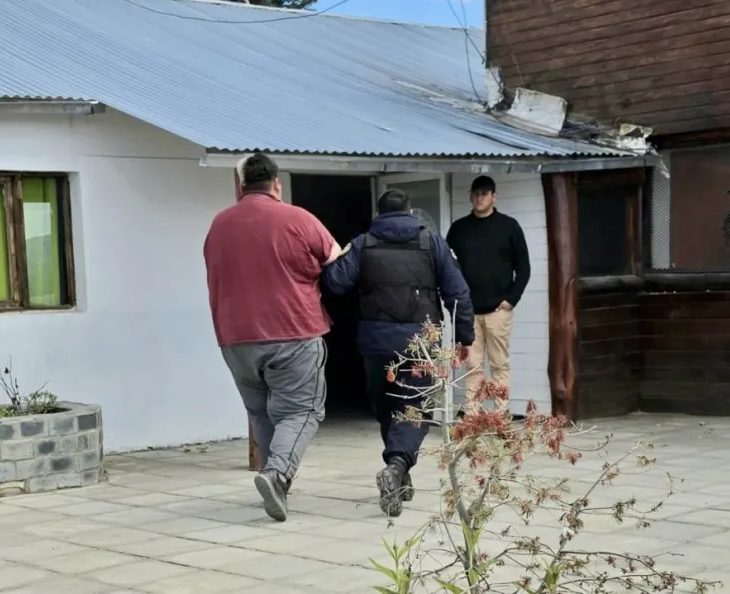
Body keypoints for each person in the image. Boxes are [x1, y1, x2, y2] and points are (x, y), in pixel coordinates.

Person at [203, 153, 345, 522]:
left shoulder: (219, 225)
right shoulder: (297, 218)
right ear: (276, 184)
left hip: (234, 338)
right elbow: (337, 262)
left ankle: (275, 483)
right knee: (303, 410)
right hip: (292, 331)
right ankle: (277, 475)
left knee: (261, 412)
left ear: (240, 186)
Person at [322, 189, 474, 517]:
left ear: (379, 213)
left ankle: (399, 473)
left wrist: (338, 255)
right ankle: (396, 466)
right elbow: (457, 291)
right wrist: (464, 336)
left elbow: (334, 283)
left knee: (389, 407)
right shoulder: (431, 242)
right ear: (409, 210)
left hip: (376, 341)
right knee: (415, 408)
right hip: (421, 339)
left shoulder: (363, 243)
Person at [445, 175, 531, 400]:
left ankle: (500, 420)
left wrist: (511, 299)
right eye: (475, 194)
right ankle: (473, 421)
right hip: (468, 311)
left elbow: (524, 267)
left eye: (484, 194)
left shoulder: (509, 226)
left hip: (497, 310)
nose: (479, 198)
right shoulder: (459, 229)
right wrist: (454, 300)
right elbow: (447, 267)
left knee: (499, 365)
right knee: (472, 366)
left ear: (494, 196)